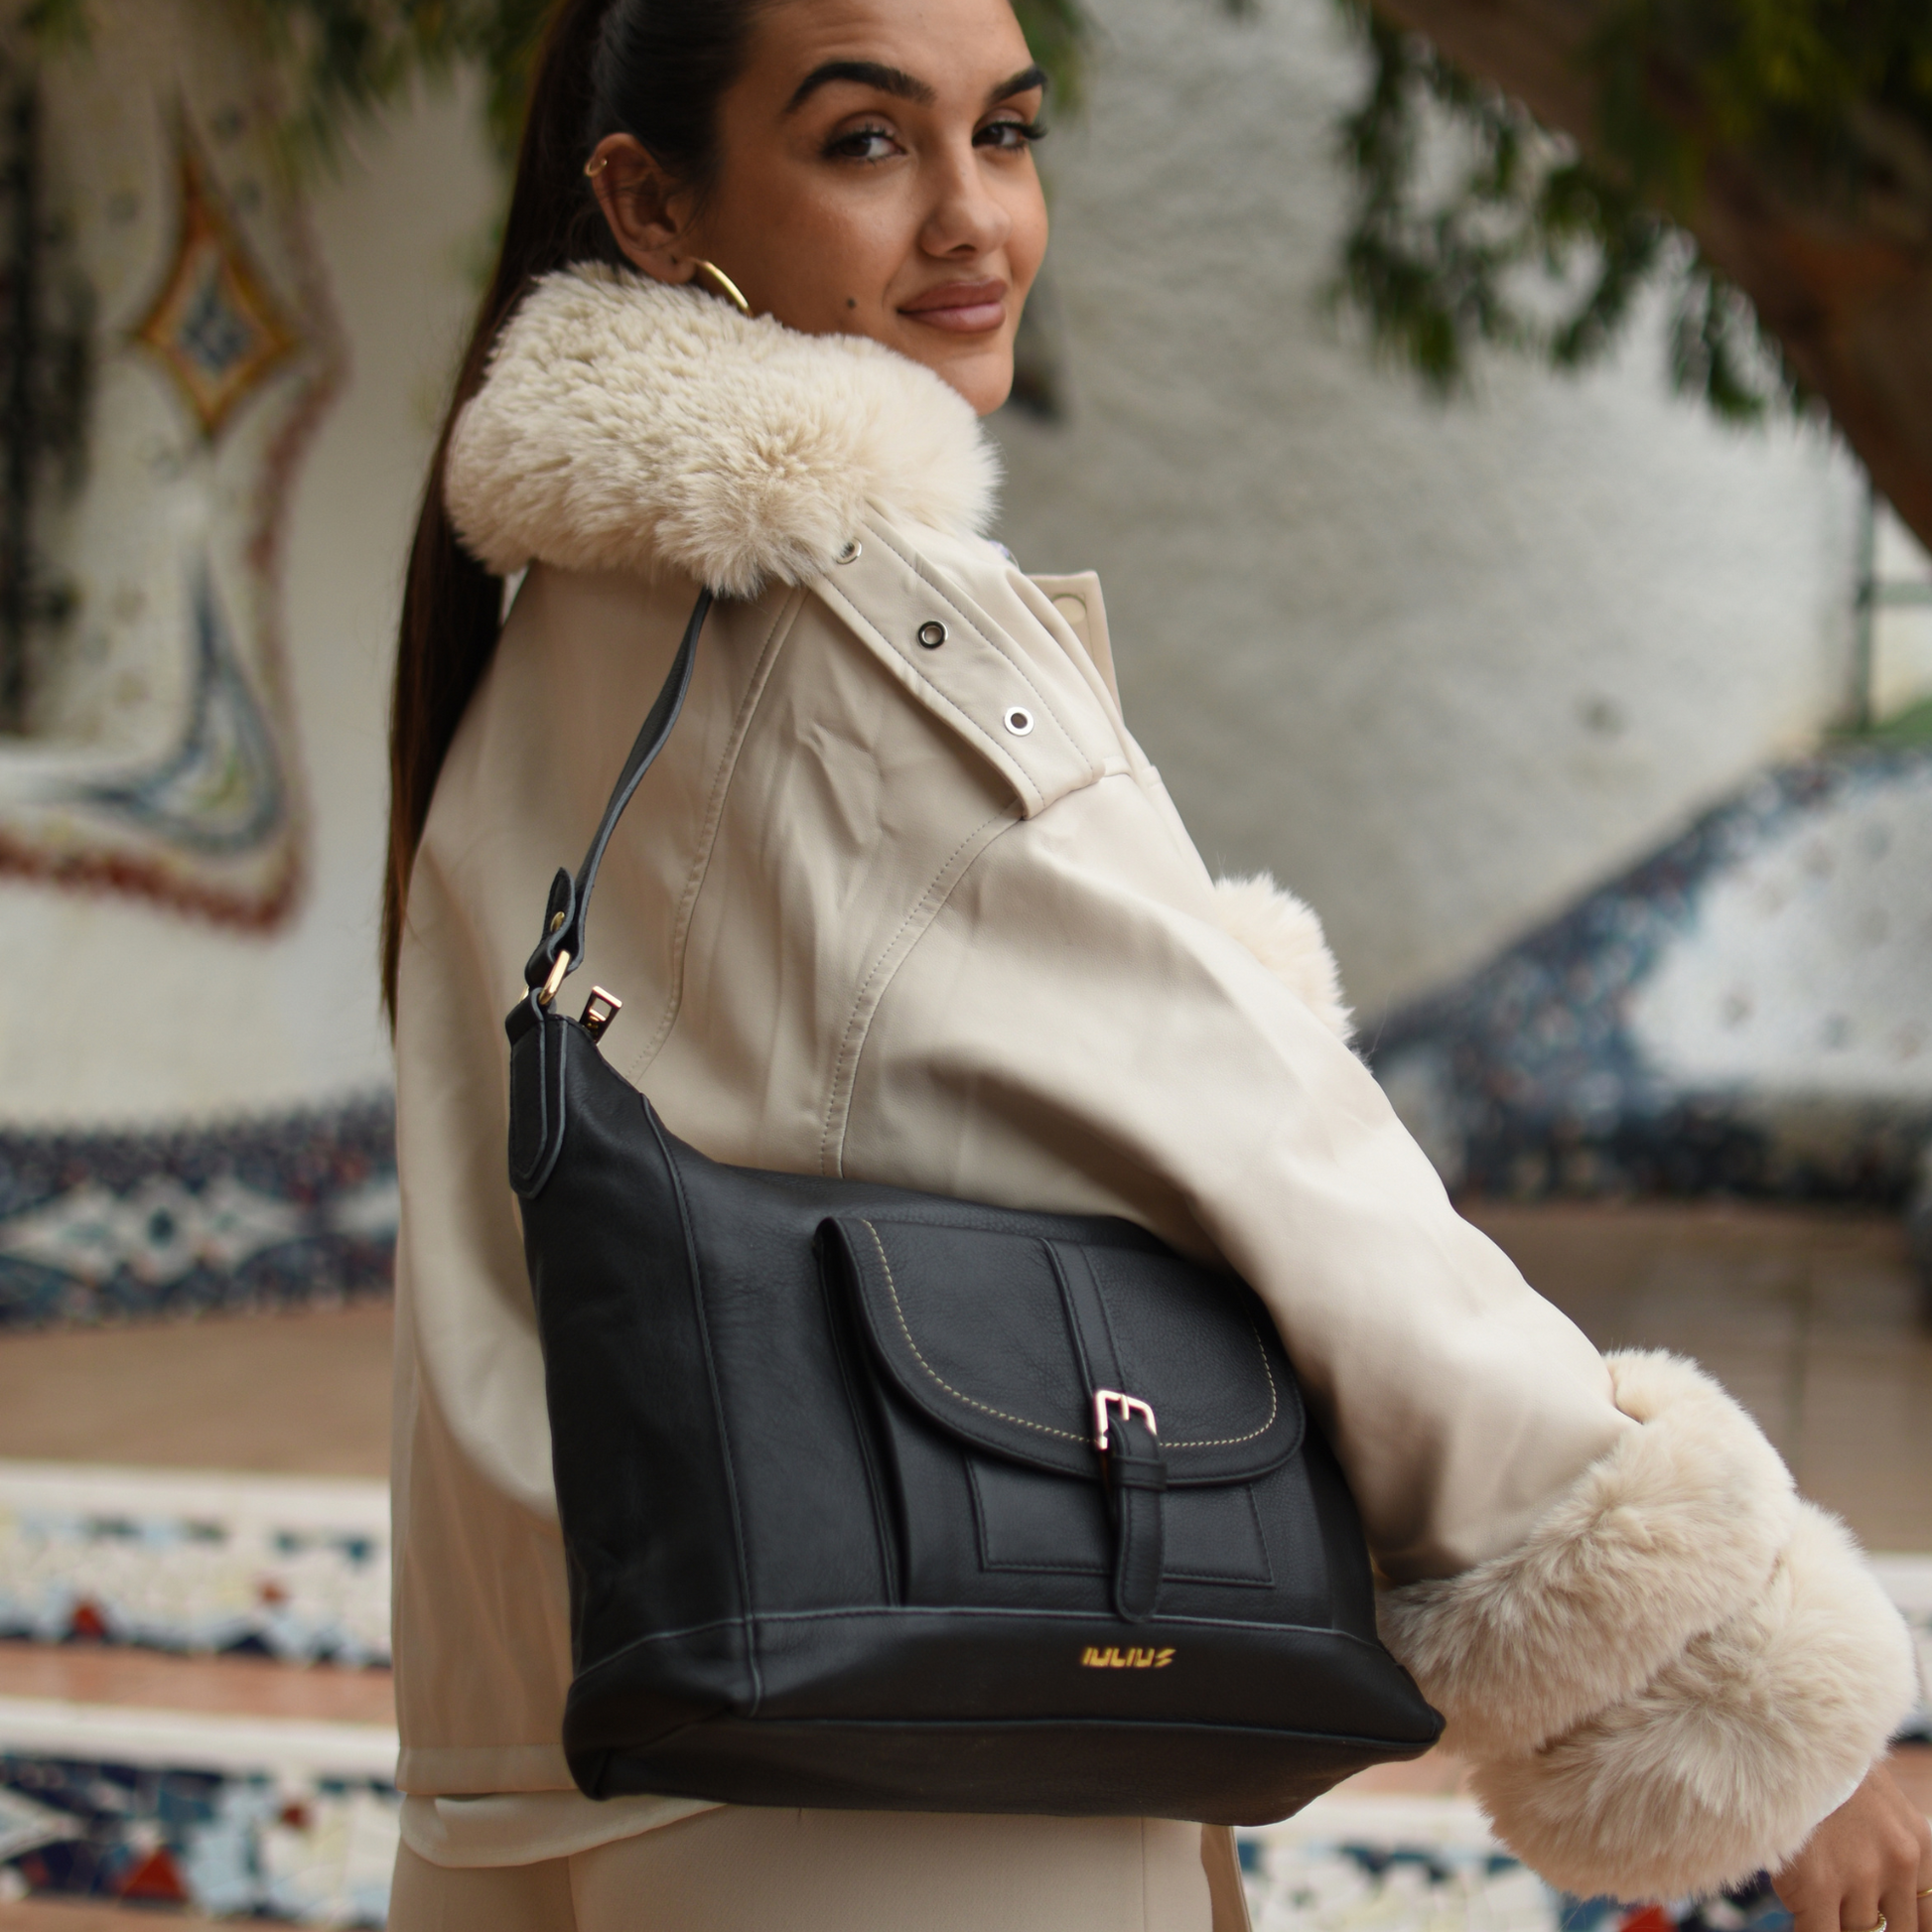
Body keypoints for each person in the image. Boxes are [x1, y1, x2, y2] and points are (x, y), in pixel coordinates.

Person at [380, 0, 1932, 1925]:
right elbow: (1272, 1148)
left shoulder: (557, 624)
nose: (974, 220)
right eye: (866, 143)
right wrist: (1747, 1693)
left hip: (542, 1766)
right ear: (642, 196)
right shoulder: (855, 612)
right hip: (880, 1807)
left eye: (1007, 135)